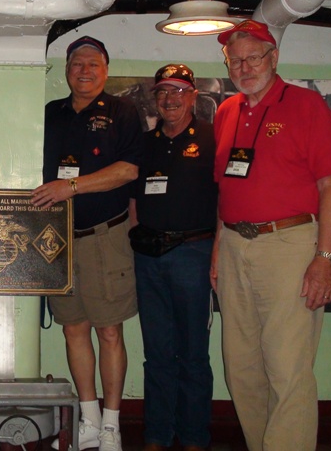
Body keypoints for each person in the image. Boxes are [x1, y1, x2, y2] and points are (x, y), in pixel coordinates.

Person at [212, 20, 331, 450]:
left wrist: (325, 259)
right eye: (236, 60)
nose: (245, 67)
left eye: (254, 57)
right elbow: (226, 188)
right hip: (234, 245)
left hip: (289, 245)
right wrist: (218, 248)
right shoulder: (226, 112)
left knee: (287, 368)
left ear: (274, 59)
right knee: (242, 368)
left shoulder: (307, 105)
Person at [31, 36, 142, 451]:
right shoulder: (50, 114)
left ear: (106, 71)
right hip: (57, 241)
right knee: (73, 329)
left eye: (93, 64)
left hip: (105, 237)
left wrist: (70, 187)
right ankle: (89, 419)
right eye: (77, 63)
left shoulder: (123, 111)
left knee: (109, 331)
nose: (84, 70)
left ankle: (112, 425)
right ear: (66, 70)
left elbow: (129, 170)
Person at [129, 64, 216, 451]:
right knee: (157, 353)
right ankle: (157, 435)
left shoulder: (213, 139)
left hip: (194, 255)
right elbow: (133, 198)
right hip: (149, 257)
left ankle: (195, 437)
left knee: (193, 355)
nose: (170, 99)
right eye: (163, 92)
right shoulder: (144, 143)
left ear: (194, 96)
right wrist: (137, 234)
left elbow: (226, 199)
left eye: (179, 92)